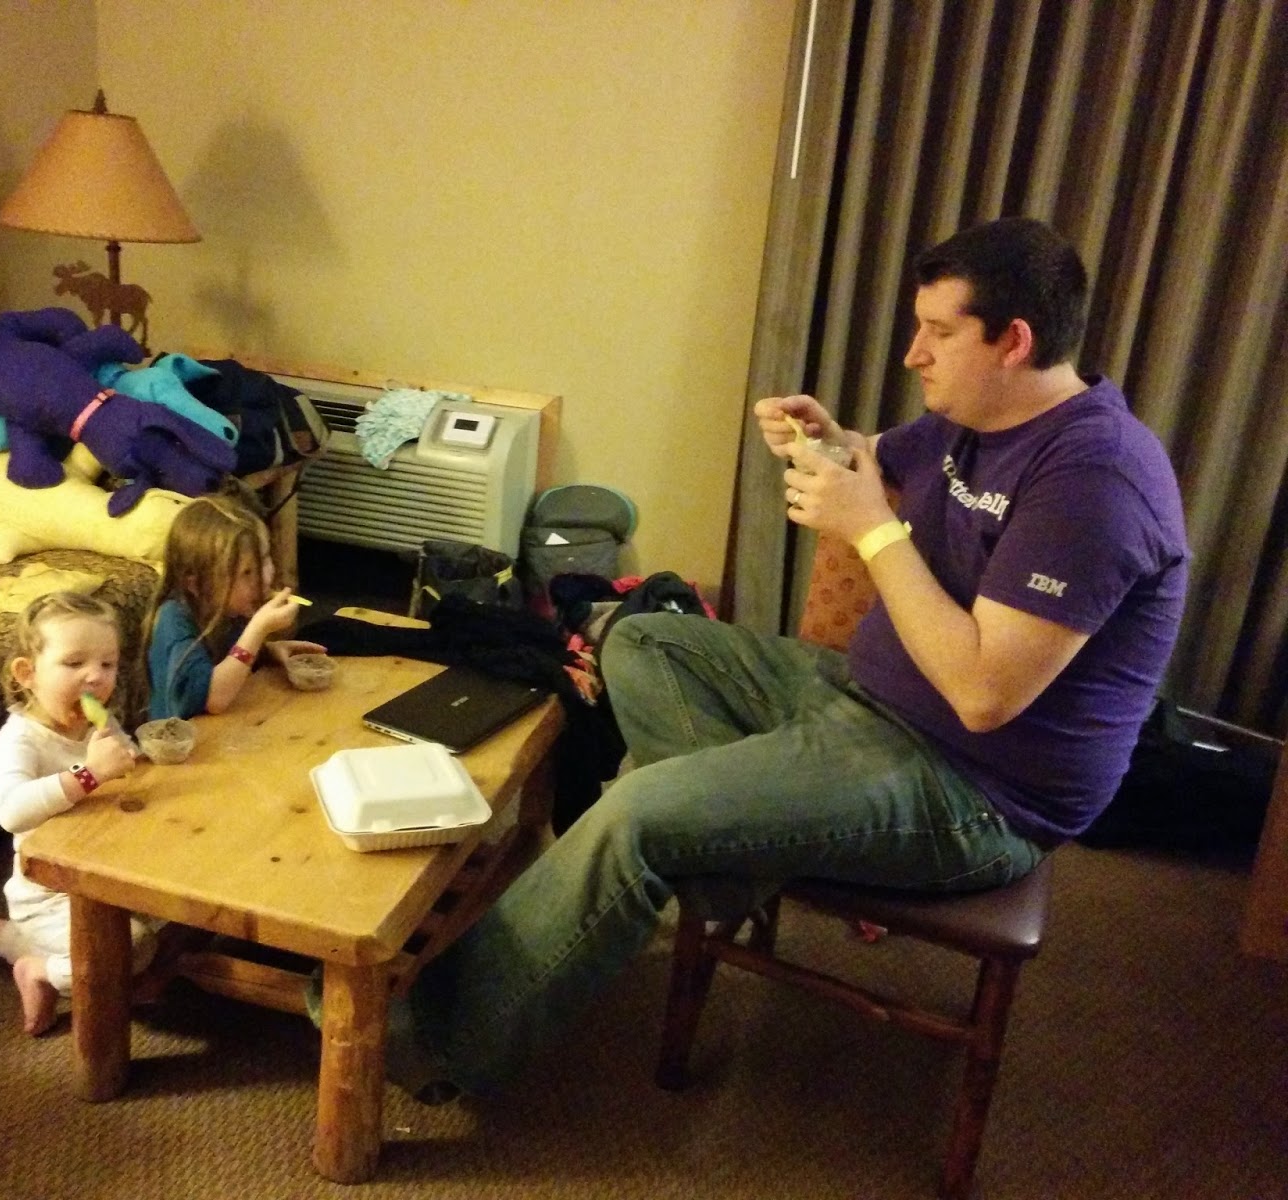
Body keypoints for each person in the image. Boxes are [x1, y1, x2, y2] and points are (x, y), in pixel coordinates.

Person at [399, 216, 1189, 1096]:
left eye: (939, 332)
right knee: (643, 637)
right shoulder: (976, 416)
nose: (913, 354)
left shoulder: (1097, 480)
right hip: (865, 698)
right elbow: (875, 457)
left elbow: (981, 694)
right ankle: (731, 855)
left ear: (1015, 342)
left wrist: (873, 529)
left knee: (640, 811)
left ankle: (432, 1045)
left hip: (975, 790)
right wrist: (828, 438)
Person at [0, 590, 158, 1036]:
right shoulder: (20, 739)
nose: (95, 676)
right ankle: (37, 971)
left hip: (109, 867)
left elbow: (124, 764)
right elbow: (10, 811)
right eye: (74, 663)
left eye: (108, 664)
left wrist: (133, 757)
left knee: (174, 917)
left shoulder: (98, 722)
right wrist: (88, 775)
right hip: (49, 892)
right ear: (28, 674)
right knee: (128, 948)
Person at [141, 484, 326, 720]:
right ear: (196, 584)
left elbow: (229, 656)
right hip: (192, 740)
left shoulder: (229, 608)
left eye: (265, 558)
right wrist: (258, 630)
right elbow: (213, 698)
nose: (265, 577)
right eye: (247, 572)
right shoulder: (174, 620)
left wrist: (268, 651)